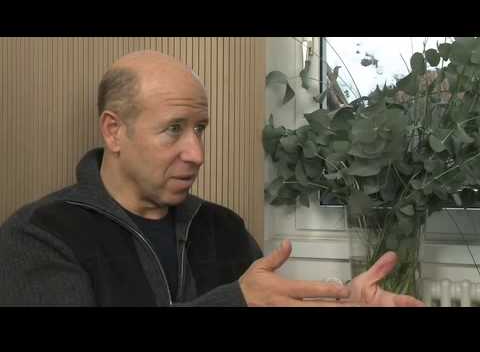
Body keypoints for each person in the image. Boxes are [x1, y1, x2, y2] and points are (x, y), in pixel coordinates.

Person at [0, 51, 424, 307]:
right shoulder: (39, 235)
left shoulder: (225, 229)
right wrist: (234, 301)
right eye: (173, 129)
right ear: (114, 131)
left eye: (199, 129)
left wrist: (339, 301)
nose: (197, 154)